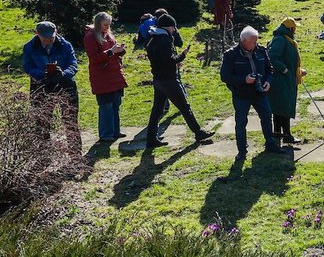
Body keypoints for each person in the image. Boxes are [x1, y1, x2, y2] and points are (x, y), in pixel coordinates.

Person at [145, 13, 214, 148]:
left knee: (157, 110)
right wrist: (182, 55)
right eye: (173, 27)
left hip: (158, 79)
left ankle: (151, 138)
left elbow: (160, 60)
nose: (174, 30)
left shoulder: (153, 38)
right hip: (169, 80)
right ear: (167, 27)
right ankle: (198, 132)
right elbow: (170, 60)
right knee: (184, 106)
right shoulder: (164, 40)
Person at [221, 27, 286, 157]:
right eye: (253, 41)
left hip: (260, 92)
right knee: (241, 122)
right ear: (244, 41)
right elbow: (225, 76)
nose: (256, 44)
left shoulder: (261, 51)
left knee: (267, 117)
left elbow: (270, 69)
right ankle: (242, 151)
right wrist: (244, 79)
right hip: (241, 95)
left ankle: (270, 144)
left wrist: (268, 81)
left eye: (256, 41)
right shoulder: (231, 54)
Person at [22, 21, 81, 151]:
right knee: (42, 122)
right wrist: (42, 74)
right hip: (41, 86)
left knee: (70, 121)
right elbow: (27, 67)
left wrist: (63, 73)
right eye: (46, 38)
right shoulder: (29, 47)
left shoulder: (65, 45)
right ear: (37, 34)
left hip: (65, 85)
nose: (49, 40)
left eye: (51, 37)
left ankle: (75, 154)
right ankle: (44, 155)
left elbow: (73, 65)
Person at [84, 12, 128, 142]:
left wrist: (120, 50)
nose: (107, 27)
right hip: (102, 76)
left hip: (114, 74)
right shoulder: (90, 37)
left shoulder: (107, 34)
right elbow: (93, 58)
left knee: (116, 103)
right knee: (106, 105)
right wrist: (110, 52)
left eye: (109, 24)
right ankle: (106, 134)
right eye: (105, 25)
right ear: (98, 24)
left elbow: (113, 49)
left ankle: (115, 131)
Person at [268, 17, 306, 144]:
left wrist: (297, 71)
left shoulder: (286, 39)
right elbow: (272, 57)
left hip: (286, 77)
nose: (295, 30)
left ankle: (278, 133)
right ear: (290, 28)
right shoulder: (281, 40)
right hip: (281, 79)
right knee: (284, 106)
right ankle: (287, 135)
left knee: (280, 106)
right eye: (294, 28)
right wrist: (284, 69)